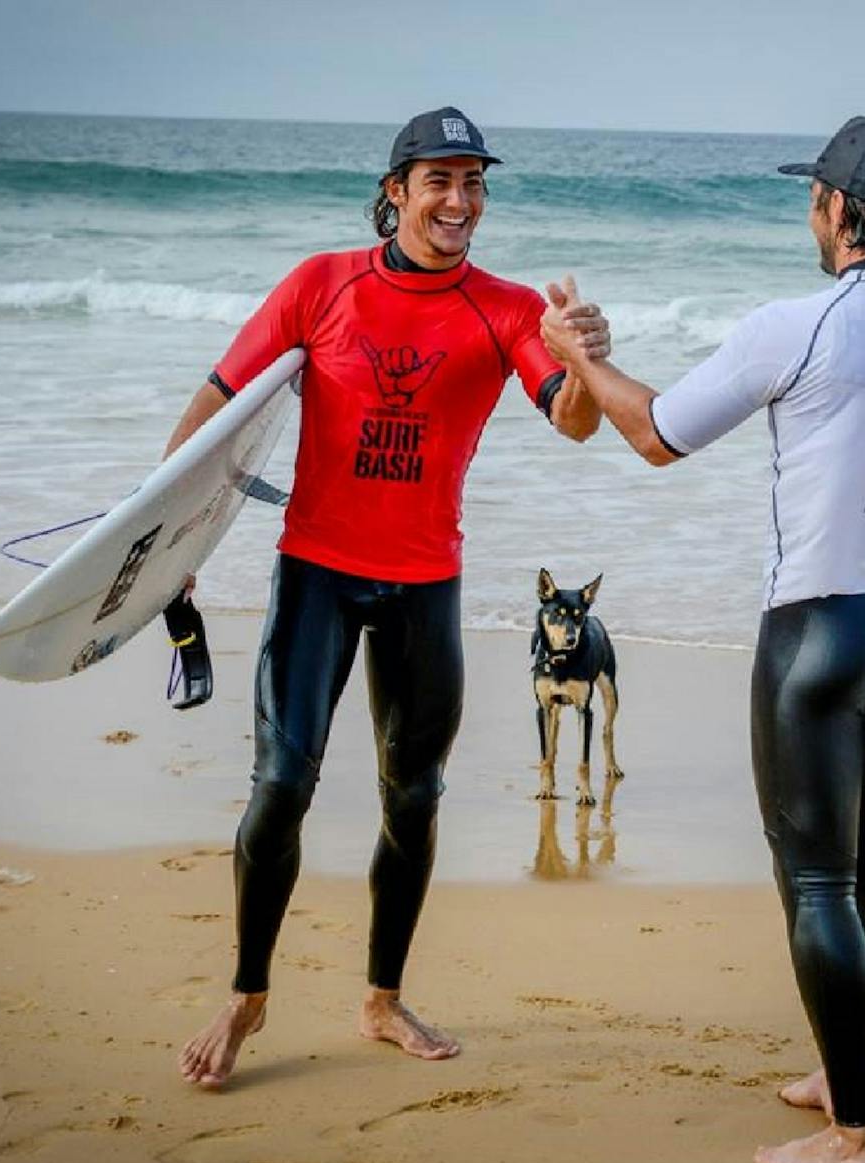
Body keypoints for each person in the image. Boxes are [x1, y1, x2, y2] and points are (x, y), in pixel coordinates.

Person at [540, 116, 865, 1163]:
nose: (810, 211)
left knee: (813, 880)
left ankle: (857, 1132)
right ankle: (846, 1065)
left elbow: (657, 433)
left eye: (814, 198)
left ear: (838, 212)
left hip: (814, 635)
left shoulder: (795, 327)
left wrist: (579, 359)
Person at [169, 107, 610, 1088]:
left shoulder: (502, 309)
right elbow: (216, 401)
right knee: (281, 789)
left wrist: (580, 355)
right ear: (397, 191)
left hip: (424, 587)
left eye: (475, 184)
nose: (460, 202)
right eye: (440, 182)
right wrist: (165, 538)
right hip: (318, 575)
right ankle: (247, 994)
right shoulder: (320, 284)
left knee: (413, 798)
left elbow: (573, 424)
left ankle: (380, 998)